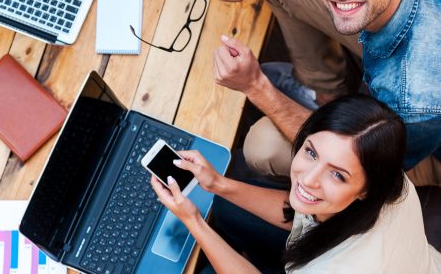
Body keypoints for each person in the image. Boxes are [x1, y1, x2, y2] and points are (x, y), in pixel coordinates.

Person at [188, 0, 441, 178]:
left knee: (263, 147)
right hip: (395, 37)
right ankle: (325, 95)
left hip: (412, 152)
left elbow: (370, 166)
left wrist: (256, 86)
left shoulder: (416, 99)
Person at [151, 95, 441, 273]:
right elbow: (300, 214)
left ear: (366, 189)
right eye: (312, 152)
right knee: (226, 207)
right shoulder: (390, 183)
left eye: (337, 174)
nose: (309, 179)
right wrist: (218, 184)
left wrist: (194, 221)